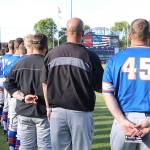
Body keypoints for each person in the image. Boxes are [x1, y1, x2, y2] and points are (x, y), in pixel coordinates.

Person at [42, 17, 104, 150]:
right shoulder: (90, 56)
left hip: (56, 112)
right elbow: (100, 87)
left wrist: (48, 107)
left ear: (66, 32)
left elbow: (44, 83)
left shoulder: (51, 54)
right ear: (82, 33)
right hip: (81, 112)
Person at [102, 18, 150, 150]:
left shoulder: (115, 59)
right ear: (149, 35)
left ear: (129, 36)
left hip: (123, 120)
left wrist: (122, 121)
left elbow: (107, 93)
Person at [5, 33, 51, 150]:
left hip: (25, 112)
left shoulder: (20, 63)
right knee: (45, 147)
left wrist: (23, 97)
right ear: (45, 47)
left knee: (26, 147)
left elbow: (8, 84)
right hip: (43, 113)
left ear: (31, 46)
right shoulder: (49, 64)